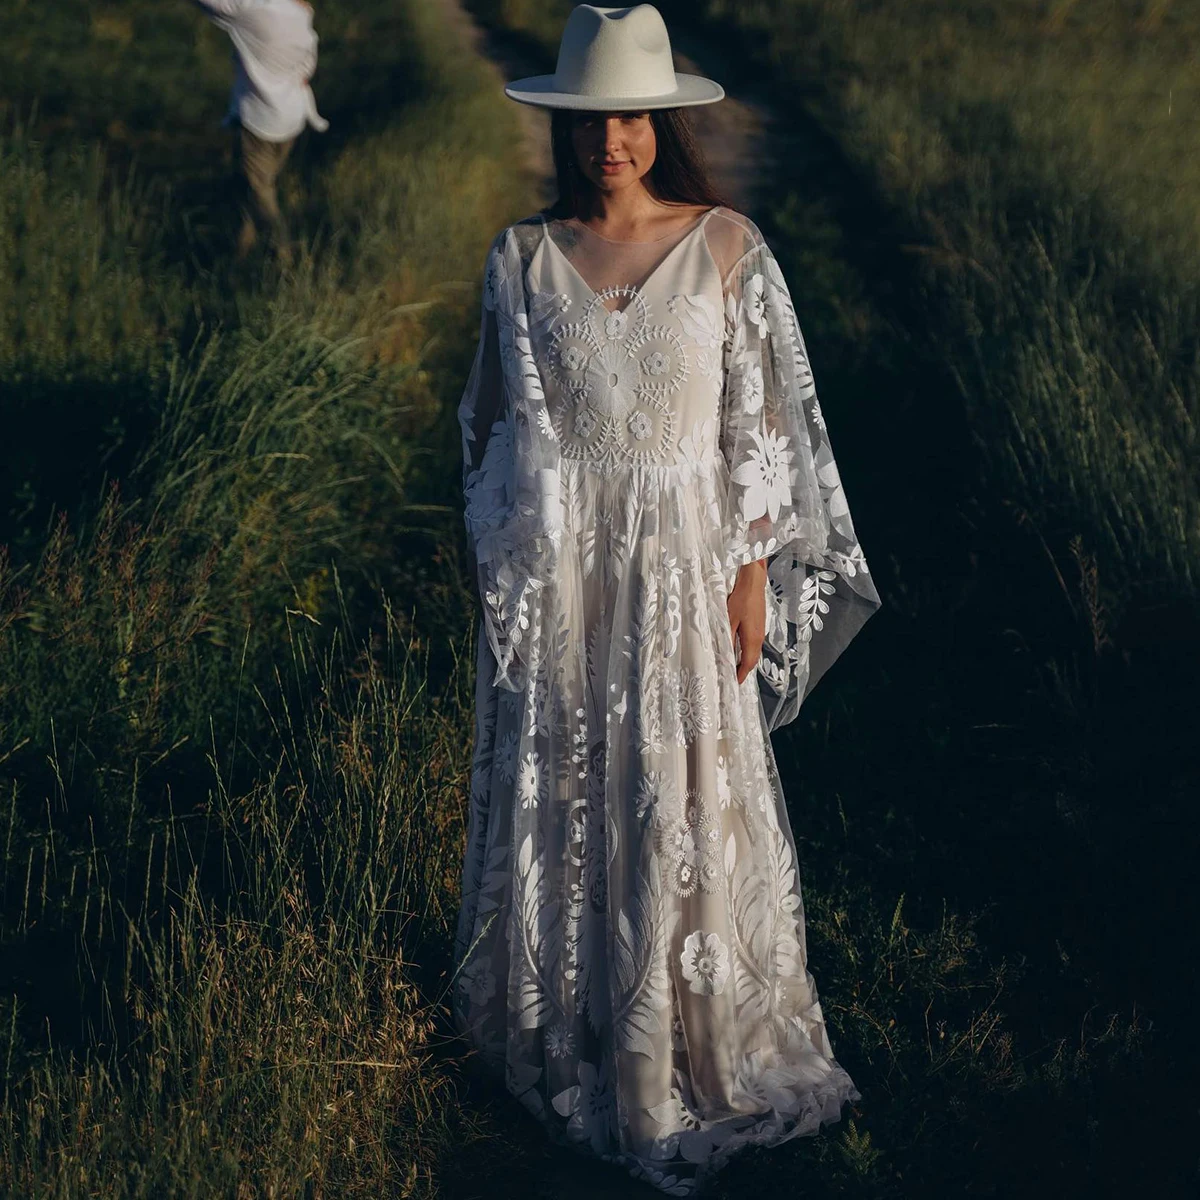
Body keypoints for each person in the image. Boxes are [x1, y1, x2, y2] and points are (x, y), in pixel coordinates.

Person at [452, 4, 881, 1193]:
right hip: (572, 569)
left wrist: (751, 565)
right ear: (563, 130)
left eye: (635, 118)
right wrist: (518, 577)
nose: (615, 143)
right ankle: (580, 1028)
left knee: (678, 784)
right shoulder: (522, 259)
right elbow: (489, 431)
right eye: (593, 121)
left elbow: (759, 426)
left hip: (690, 569)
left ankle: (691, 1038)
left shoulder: (728, 244)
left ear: (665, 122)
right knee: (583, 783)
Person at [188, 0, 329, 263]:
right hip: (292, 117)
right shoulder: (302, 12)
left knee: (259, 190)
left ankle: (284, 253)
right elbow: (306, 69)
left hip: (260, 124)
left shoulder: (250, 8)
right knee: (252, 187)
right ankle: (242, 249)